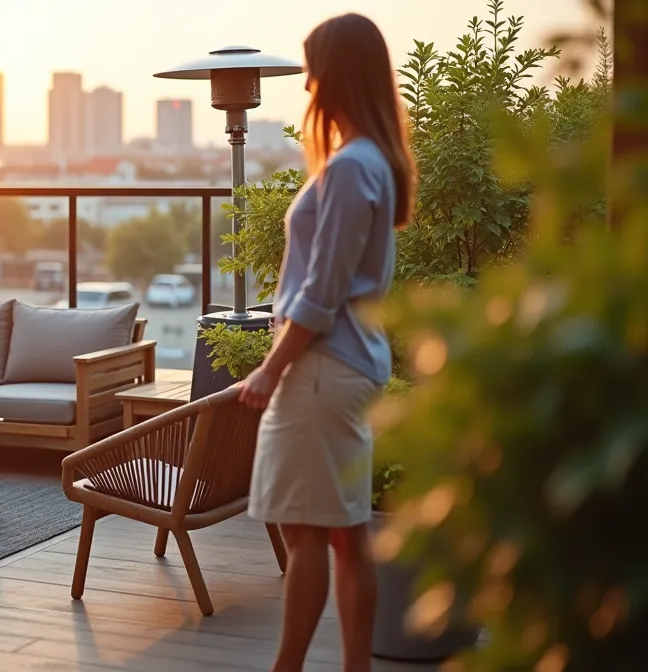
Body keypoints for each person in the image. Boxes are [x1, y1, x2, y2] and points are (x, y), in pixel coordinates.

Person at [235, 12, 418, 672]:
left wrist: (268, 371)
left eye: (313, 68)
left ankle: (289, 667)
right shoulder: (373, 161)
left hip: (321, 368)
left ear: (336, 74)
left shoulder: (349, 169)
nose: (306, 83)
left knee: (308, 529)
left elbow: (321, 292)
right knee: (342, 531)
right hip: (345, 366)